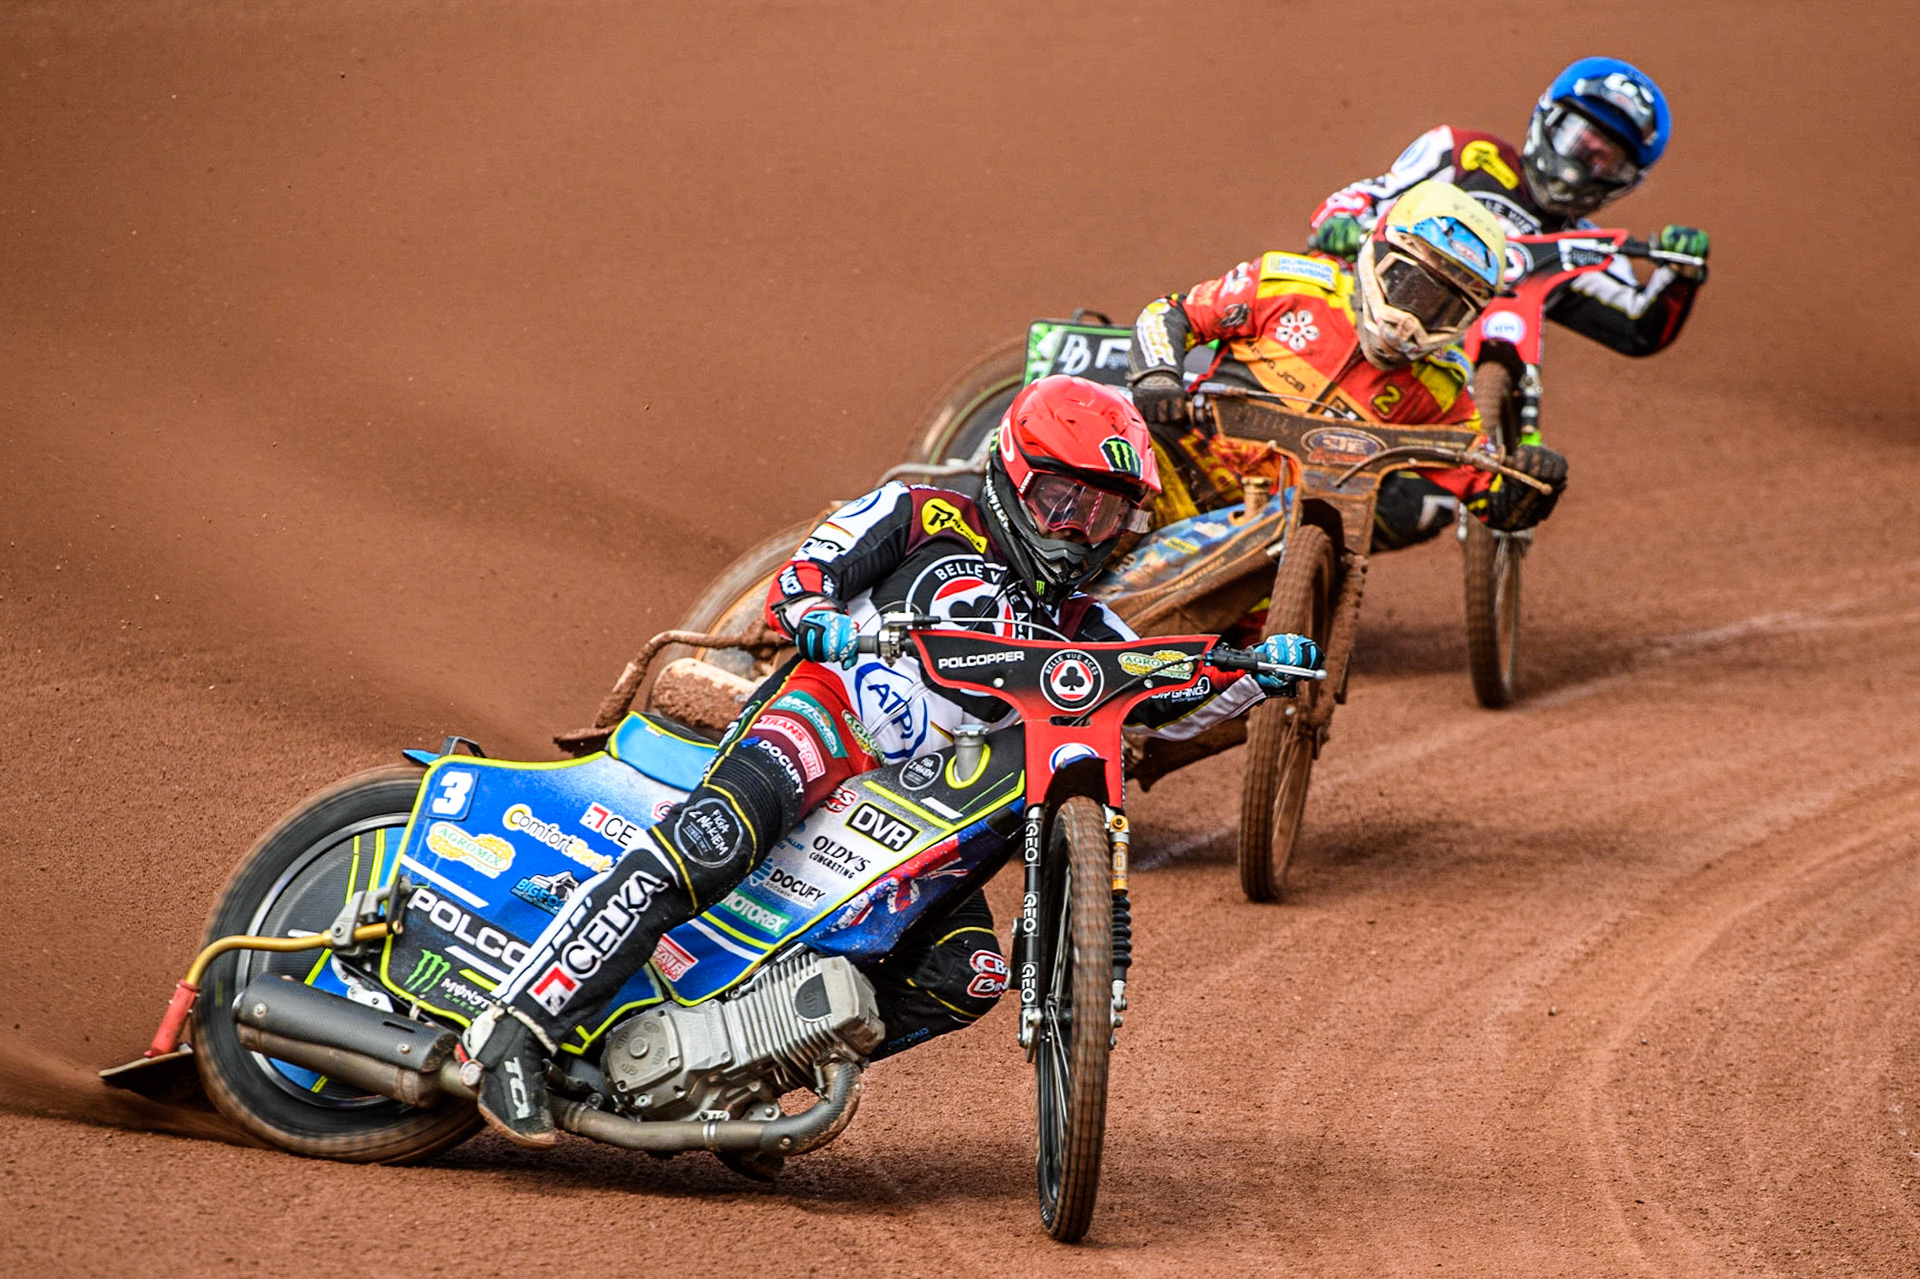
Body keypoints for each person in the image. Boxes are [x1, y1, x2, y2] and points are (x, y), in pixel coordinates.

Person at [461, 374, 1325, 1146]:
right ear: (1015, 473)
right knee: (713, 840)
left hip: (921, 818)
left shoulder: (1088, 630)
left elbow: (1165, 691)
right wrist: (815, 613)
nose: (1076, 530)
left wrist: (1261, 672)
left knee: (970, 974)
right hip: (827, 725)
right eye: (1063, 498)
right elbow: (807, 571)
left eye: (1100, 512)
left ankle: (751, 1078)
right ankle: (513, 1026)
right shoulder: (920, 512)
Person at [1129, 179, 1567, 551]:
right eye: (1411, 287)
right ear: (1380, 253)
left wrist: (1533, 483)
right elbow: (1172, 313)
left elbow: (1489, 498)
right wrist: (1158, 377)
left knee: (1250, 649)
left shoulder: (1441, 388)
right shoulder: (1292, 284)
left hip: (1265, 543)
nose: (1414, 317)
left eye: (1443, 308)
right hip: (1177, 467)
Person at [1307, 56, 1708, 360]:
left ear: (1625, 180)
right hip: (1363, 319)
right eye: (1578, 142)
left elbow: (1639, 327)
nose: (1578, 169)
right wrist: (1342, 223)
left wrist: (1681, 274)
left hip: (1462, 365)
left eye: (1605, 161)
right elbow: (1368, 197)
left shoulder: (1584, 250)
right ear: (1546, 120)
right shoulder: (1463, 155)